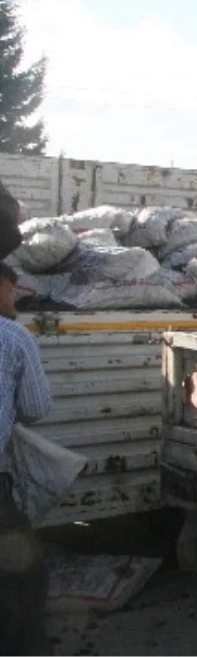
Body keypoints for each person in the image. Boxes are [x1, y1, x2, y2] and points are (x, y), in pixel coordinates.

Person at [0, 261, 54, 656]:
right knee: (23, 577)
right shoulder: (13, 338)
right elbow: (36, 407)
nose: (15, 299)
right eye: (12, 289)